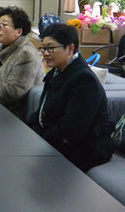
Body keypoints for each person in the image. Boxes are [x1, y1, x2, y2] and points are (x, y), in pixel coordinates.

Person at [29, 23, 114, 172]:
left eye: (50, 48)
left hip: (83, 149)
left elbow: (71, 131)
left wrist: (39, 138)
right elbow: (42, 112)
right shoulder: (57, 72)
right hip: (56, 141)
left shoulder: (84, 81)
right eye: (43, 48)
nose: (45, 53)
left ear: (70, 49)